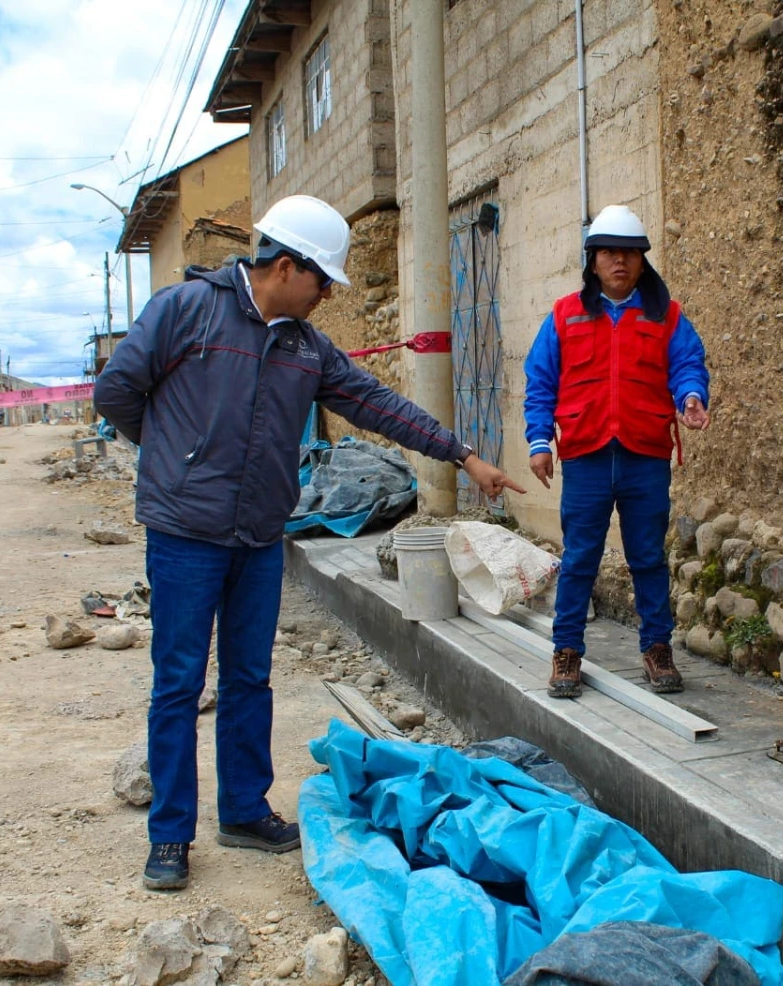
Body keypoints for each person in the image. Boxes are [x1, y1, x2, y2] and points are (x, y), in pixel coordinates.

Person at [94, 195, 524, 891]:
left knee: (248, 679)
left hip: (261, 535)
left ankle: (241, 811)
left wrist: (462, 453)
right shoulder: (185, 311)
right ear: (285, 266)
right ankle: (169, 835)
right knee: (178, 684)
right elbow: (117, 391)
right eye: (323, 280)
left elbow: (378, 404)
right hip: (184, 534)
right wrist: (175, 456)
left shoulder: (304, 347)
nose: (326, 294)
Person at [522, 205, 711, 700]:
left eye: (629, 254)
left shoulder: (665, 316)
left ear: (642, 262)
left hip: (644, 455)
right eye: (609, 253)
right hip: (585, 455)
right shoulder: (565, 315)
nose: (619, 262)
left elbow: (688, 363)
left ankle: (656, 647)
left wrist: (691, 397)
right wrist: (539, 442)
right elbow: (541, 382)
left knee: (648, 557)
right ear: (593, 261)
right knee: (580, 557)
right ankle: (566, 651)